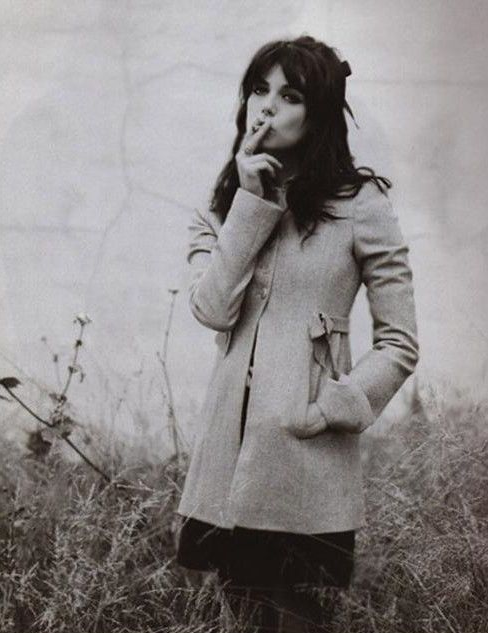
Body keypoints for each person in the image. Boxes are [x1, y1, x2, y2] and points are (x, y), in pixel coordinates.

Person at [175, 35, 419, 632]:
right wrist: (251, 203)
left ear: (320, 114)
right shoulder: (221, 208)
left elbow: (400, 342)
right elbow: (211, 311)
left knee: (297, 617)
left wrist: (332, 405)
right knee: (242, 611)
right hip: (227, 464)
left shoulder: (361, 205)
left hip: (306, 459)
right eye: (259, 90)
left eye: (289, 96)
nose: (267, 107)